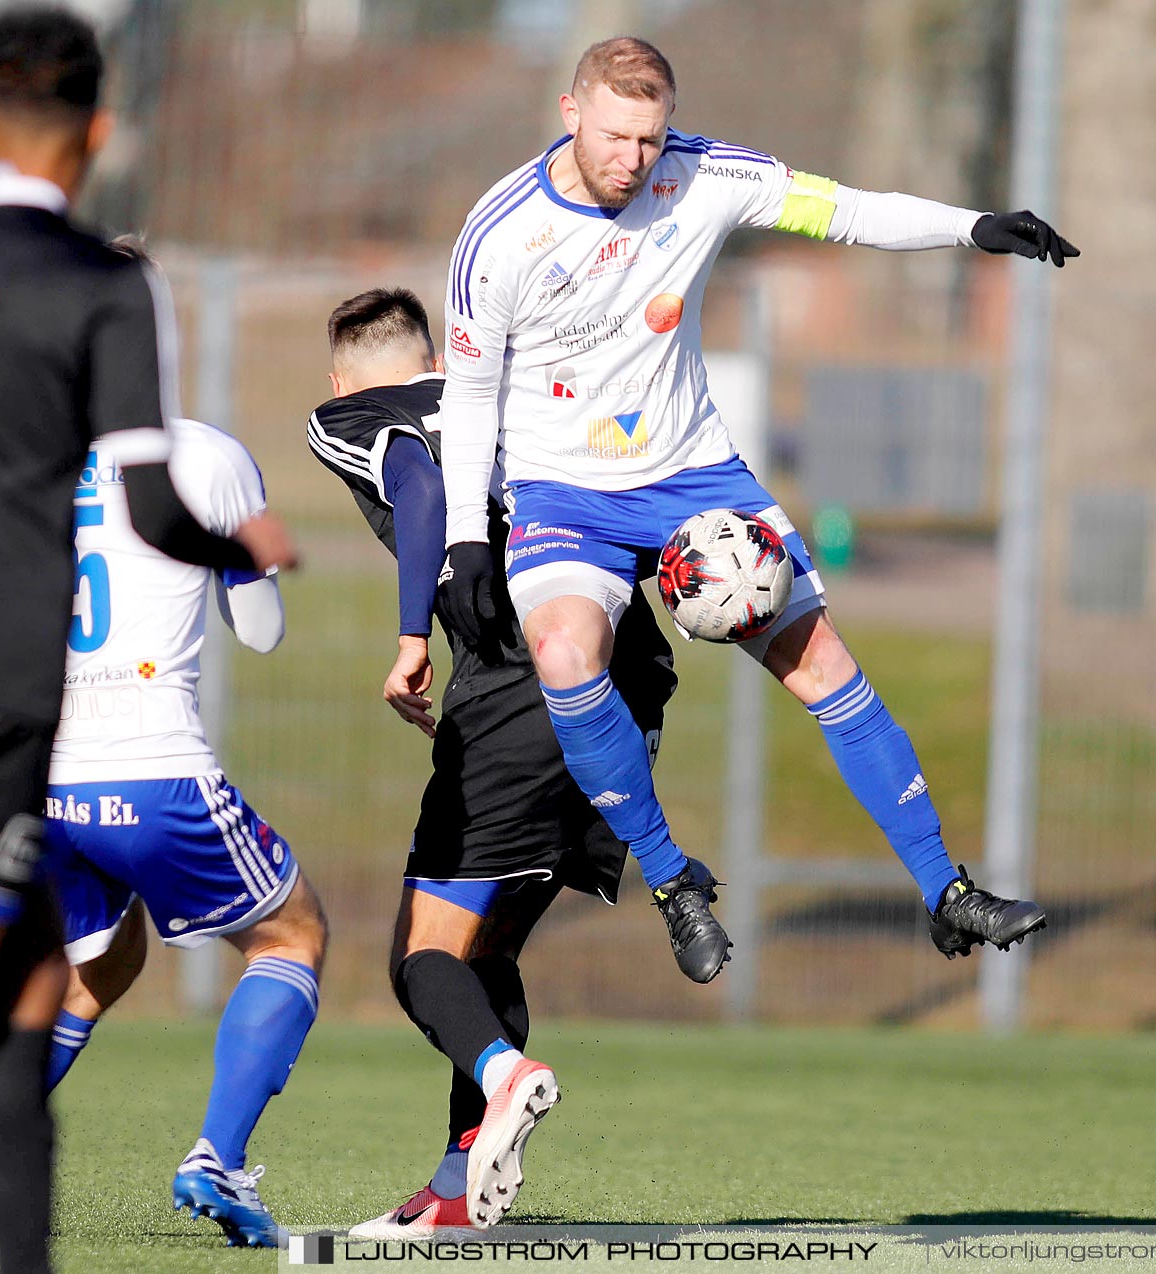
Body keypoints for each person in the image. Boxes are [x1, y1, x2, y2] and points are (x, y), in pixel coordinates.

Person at [434, 40, 1063, 1017]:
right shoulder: (499, 234)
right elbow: (469, 397)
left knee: (826, 667)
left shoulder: (704, 175)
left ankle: (947, 889)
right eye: (614, 135)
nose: (634, 158)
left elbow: (844, 210)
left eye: (648, 137)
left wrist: (972, 227)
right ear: (569, 112)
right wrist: (466, 539)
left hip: (693, 477)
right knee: (565, 652)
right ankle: (672, 877)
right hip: (562, 492)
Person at [0, 9, 294, 1269]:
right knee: (291, 931)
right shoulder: (111, 301)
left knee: (60, 972)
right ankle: (208, 1154)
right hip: (57, 718)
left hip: (29, 726)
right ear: (100, 134)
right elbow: (177, 525)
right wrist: (248, 552)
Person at [306, 288, 678, 1232]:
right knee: (489, 949)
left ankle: (509, 1073)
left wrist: (407, 640)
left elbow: (420, 484)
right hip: (628, 670)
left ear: (342, 377)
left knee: (421, 958)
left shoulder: (352, 414)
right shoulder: (504, 389)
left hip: (521, 672)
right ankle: (451, 1194)